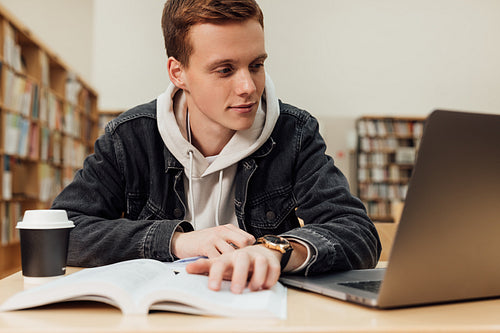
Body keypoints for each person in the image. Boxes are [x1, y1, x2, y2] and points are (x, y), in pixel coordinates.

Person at [52, 0, 381, 294]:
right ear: (178, 72)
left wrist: (276, 250)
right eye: (225, 70)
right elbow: (61, 231)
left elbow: (358, 233)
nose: (248, 87)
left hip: (262, 315)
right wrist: (177, 240)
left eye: (256, 65)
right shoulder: (129, 137)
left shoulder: (295, 133)